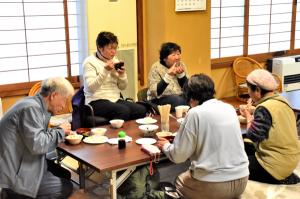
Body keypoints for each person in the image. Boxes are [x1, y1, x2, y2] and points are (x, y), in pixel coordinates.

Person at [157, 74, 249, 199]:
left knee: (179, 180)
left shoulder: (195, 113)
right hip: (242, 179)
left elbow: (178, 156)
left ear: (191, 97)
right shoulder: (229, 108)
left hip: (215, 185)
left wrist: (166, 146)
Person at [0, 77, 75, 198]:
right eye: (65, 100)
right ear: (54, 95)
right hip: (15, 172)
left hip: (23, 160)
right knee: (65, 187)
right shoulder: (31, 108)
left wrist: (57, 131)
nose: (64, 105)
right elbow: (37, 145)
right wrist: (60, 132)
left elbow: (33, 134)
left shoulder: (33, 104)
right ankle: (13, 193)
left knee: (65, 174)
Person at [240, 69, 300, 184]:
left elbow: (252, 135)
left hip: (273, 164)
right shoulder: (282, 101)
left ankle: (278, 177)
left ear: (257, 90)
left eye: (248, 89)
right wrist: (253, 112)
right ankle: (284, 174)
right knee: (246, 147)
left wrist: (248, 116)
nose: (248, 92)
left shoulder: (263, 108)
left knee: (236, 165)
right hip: (290, 160)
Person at [83, 31, 147, 121]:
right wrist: (106, 71)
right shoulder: (89, 62)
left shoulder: (114, 60)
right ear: (100, 48)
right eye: (110, 48)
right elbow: (91, 88)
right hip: (95, 100)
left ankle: (128, 132)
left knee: (141, 109)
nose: (114, 52)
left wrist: (122, 75)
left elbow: (123, 87)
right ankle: (115, 134)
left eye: (115, 48)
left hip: (114, 99)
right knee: (123, 111)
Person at [147, 42, 188, 111]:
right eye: (173, 55)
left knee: (194, 97)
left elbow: (187, 88)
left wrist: (181, 76)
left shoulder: (181, 65)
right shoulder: (156, 68)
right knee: (178, 101)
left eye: (178, 54)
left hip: (179, 96)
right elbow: (154, 92)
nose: (177, 57)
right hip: (159, 99)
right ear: (164, 58)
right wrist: (168, 76)